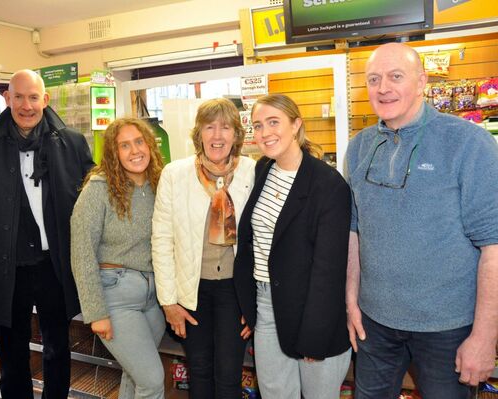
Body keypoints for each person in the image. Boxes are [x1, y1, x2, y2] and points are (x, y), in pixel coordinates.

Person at [346, 42, 498, 399]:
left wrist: (485, 335)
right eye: (373, 79)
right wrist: (351, 302)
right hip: (375, 323)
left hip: (448, 328)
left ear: (422, 81)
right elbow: (354, 231)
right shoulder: (359, 147)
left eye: (396, 76)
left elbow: (493, 244)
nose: (383, 87)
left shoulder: (468, 142)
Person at [0, 69, 94, 399]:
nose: (26, 105)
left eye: (33, 97)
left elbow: (92, 206)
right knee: (11, 354)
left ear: (44, 100)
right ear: (7, 99)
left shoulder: (73, 144)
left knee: (56, 349)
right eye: (18, 97)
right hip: (6, 269)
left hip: (55, 266)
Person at [233, 94, 352, 399]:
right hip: (266, 306)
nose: (265, 132)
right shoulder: (263, 170)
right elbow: (252, 243)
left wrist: (316, 334)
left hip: (313, 311)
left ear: (296, 124)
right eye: (258, 125)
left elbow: (329, 268)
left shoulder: (328, 185)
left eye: (274, 122)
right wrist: (250, 303)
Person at [152, 98, 255, 398]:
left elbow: (264, 241)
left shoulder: (252, 172)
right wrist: (169, 302)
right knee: (199, 370)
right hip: (190, 291)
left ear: (237, 134)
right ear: (199, 134)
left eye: (225, 127)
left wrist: (254, 304)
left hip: (235, 291)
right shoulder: (174, 174)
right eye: (210, 127)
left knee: (229, 375)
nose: (217, 135)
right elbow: (161, 240)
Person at [71, 118, 165, 399]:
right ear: (114, 153)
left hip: (154, 298)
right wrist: (96, 313)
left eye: (139, 141)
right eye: (124, 145)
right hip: (116, 297)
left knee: (136, 375)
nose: (135, 150)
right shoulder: (98, 189)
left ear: (150, 144)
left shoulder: (160, 183)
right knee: (152, 380)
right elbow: (81, 252)